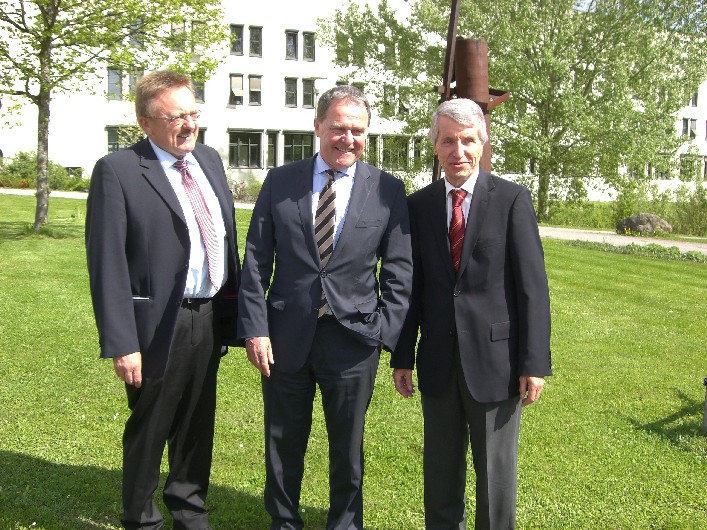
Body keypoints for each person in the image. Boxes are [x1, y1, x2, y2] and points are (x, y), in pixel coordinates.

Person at [237, 85, 413, 530]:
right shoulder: (281, 181)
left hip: (353, 340)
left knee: (348, 447)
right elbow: (256, 259)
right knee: (282, 441)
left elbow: (399, 269)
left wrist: (381, 334)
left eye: (357, 131)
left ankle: (345, 524)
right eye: (338, 128)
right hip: (285, 337)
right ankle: (283, 521)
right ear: (318, 127)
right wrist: (255, 329)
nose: (347, 139)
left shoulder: (388, 190)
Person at [85, 70, 241, 530]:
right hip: (155, 323)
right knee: (151, 426)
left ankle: (190, 510)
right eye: (176, 117)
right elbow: (106, 261)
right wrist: (122, 342)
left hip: (208, 317)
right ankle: (141, 517)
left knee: (197, 423)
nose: (189, 125)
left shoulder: (209, 160)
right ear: (145, 122)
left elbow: (227, 241)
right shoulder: (118, 171)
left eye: (193, 113)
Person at [392, 98, 552, 530]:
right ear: (435, 146)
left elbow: (532, 288)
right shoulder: (419, 205)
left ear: (482, 143)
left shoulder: (512, 200)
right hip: (439, 362)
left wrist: (534, 363)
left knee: (495, 478)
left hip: (497, 365)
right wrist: (403, 355)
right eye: (448, 141)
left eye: (467, 140)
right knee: (440, 474)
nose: (457, 151)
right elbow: (412, 286)